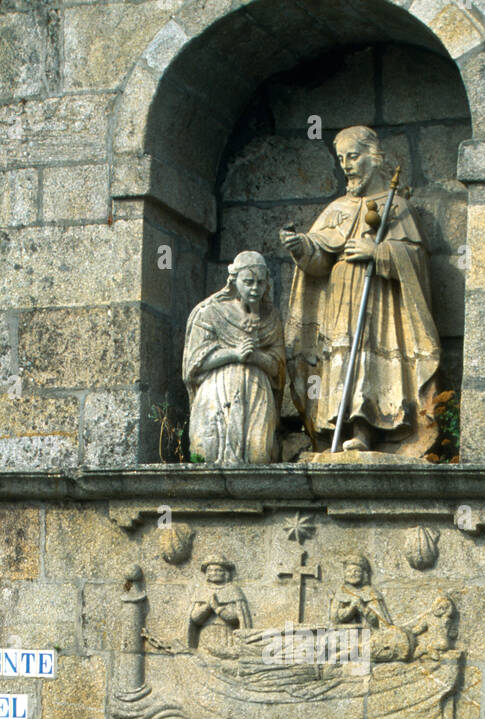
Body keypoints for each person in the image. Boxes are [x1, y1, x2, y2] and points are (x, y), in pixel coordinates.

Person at [281, 126, 440, 455]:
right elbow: (319, 259)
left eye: (353, 157)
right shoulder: (337, 208)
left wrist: (379, 253)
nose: (347, 166)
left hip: (378, 301)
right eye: (342, 159)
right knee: (341, 358)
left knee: (368, 360)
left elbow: (416, 262)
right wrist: (301, 247)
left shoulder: (396, 207)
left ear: (375, 158)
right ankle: (337, 430)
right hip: (340, 299)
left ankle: (365, 431)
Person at [183, 250, 285, 465]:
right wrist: (234, 354)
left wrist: (256, 357)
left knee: (258, 456)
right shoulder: (210, 313)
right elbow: (194, 365)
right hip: (217, 389)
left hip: (257, 390)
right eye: (248, 282)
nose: (255, 288)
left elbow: (279, 369)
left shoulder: (272, 319)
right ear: (234, 281)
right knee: (207, 456)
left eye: (260, 283)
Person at [187, 555, 251, 658]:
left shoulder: (232, 590)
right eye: (210, 570)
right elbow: (194, 618)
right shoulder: (201, 591)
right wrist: (208, 607)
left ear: (225, 573)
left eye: (218, 570)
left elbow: (236, 617)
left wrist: (217, 608)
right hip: (206, 634)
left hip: (226, 634)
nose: (214, 573)